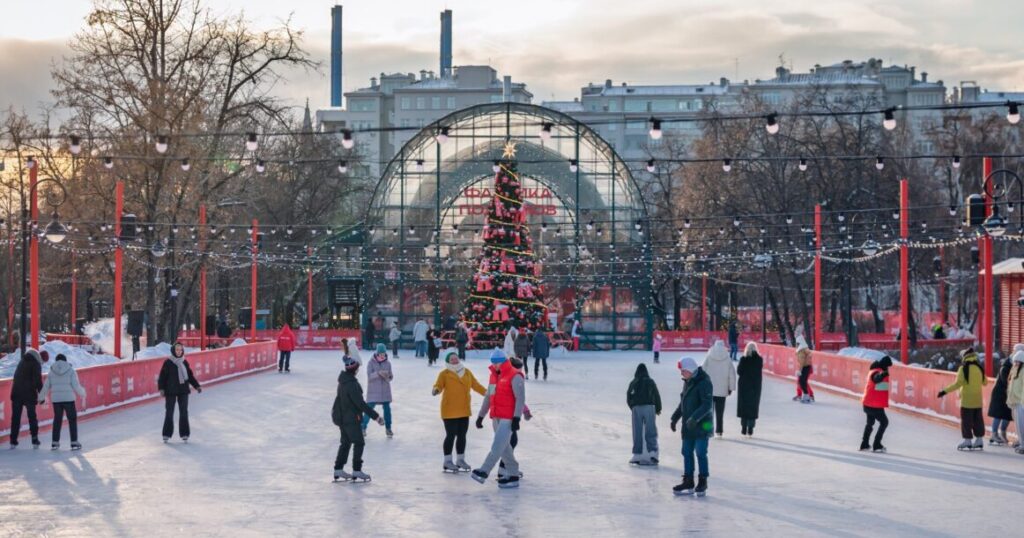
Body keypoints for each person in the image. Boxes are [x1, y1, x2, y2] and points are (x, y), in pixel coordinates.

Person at [471, 349, 526, 488]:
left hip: (509, 417)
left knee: (497, 445)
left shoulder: (515, 375)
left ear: (504, 361)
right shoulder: (494, 376)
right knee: (504, 447)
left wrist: (516, 418)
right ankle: (513, 475)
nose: (495, 365)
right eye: (493, 362)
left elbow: (520, 399)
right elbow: (489, 397)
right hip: (496, 416)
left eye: (498, 362)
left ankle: (484, 470)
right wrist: (481, 416)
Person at [332, 339, 384, 482]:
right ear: (355, 368)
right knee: (359, 442)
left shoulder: (343, 381)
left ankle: (338, 468)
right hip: (351, 419)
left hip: (343, 418)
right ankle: (356, 470)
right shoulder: (352, 384)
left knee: (346, 443)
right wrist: (376, 417)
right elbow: (361, 404)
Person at [432, 349, 487, 472]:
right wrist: (436, 390)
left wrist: (487, 393)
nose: (455, 360)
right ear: (448, 361)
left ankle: (460, 460)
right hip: (449, 410)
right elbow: (438, 385)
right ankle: (447, 461)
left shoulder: (466, 372)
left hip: (464, 409)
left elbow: (476, 385)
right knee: (450, 435)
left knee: (462, 435)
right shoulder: (444, 374)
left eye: (456, 358)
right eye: (452, 359)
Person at [671, 357, 714, 497]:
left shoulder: (704, 382)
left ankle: (703, 481)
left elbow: (707, 405)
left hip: (703, 424)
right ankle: (688, 481)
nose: (681, 373)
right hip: (689, 425)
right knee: (686, 452)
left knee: (701, 452)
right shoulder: (688, 382)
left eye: (683, 370)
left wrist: (694, 418)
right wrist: (675, 418)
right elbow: (683, 403)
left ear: (690, 369)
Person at [938, 348, 988, 451]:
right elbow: (985, 382)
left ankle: (967, 440)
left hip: (967, 401)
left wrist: (944, 391)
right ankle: (979, 440)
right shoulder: (979, 368)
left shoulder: (963, 368)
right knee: (978, 420)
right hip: (978, 400)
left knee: (966, 421)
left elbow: (957, 384)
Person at [38, 353, 87, 451]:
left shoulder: (51, 372)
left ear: (56, 361)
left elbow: (46, 386)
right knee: (72, 420)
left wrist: (41, 397)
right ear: (65, 360)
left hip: (57, 400)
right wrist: (83, 393)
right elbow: (76, 385)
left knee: (57, 420)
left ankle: (55, 443)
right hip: (69, 400)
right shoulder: (71, 370)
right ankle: (74, 442)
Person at [157, 343, 202, 442]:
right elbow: (162, 377)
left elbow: (190, 376)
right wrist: (161, 388)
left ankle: (184, 433)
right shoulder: (168, 362)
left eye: (181, 350)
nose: (179, 352)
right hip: (170, 391)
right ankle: (166, 434)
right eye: (177, 350)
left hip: (183, 390)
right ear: (173, 350)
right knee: (169, 412)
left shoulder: (184, 362)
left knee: (184, 412)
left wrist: (197, 386)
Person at [9, 348, 46, 448]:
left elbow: (16, 376)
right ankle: (34, 439)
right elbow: (38, 380)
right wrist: (42, 396)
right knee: (32, 417)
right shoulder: (36, 364)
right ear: (40, 359)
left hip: (16, 392)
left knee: (16, 417)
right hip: (29, 394)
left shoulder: (22, 361)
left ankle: (13, 440)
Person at [627, 363, 662, 465]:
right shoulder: (650, 381)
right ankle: (653, 452)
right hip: (649, 407)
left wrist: (632, 407)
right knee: (650, 429)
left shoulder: (633, 382)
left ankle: (637, 454)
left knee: (637, 431)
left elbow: (628, 396)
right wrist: (658, 408)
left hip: (636, 407)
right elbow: (656, 394)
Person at [702, 340, 736, 437]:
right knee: (720, 412)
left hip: (709, 389)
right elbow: (732, 374)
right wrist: (731, 387)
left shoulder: (709, 356)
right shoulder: (727, 358)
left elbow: (703, 370)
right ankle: (719, 430)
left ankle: (708, 430)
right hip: (722, 389)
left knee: (708, 412)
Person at [861, 355, 893, 453]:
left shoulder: (873, 370)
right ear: (884, 365)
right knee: (884, 422)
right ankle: (877, 444)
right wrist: (883, 374)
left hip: (868, 403)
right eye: (887, 366)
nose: (888, 368)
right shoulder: (876, 372)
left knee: (870, 423)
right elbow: (876, 378)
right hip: (874, 405)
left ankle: (864, 444)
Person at [361, 343, 394, 438]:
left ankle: (388, 428)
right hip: (373, 392)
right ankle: (362, 428)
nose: (383, 355)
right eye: (381, 354)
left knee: (387, 410)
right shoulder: (371, 363)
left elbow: (391, 377)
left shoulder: (388, 363)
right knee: (368, 410)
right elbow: (369, 376)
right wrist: (378, 373)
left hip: (385, 392)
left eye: (384, 353)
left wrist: (388, 376)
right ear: (377, 353)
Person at [987, 350, 1016, 446]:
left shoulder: (1013, 367)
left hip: (1008, 394)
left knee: (1007, 415)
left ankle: (1003, 433)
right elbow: (1005, 381)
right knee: (998, 415)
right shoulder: (1005, 367)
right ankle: (994, 434)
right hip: (1000, 394)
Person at [736, 342, 763, 437]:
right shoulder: (759, 360)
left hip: (744, 386)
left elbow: (739, 371)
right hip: (755, 386)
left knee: (744, 406)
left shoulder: (743, 359)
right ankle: (750, 428)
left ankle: (743, 427)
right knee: (753, 406)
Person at [1006, 349, 1024, 454]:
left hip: (1021, 402)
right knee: (1018, 425)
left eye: (1018, 361)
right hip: (1015, 401)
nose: (1016, 363)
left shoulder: (1022, 371)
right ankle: (1022, 443)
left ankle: (1023, 444)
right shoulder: (1015, 370)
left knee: (1021, 425)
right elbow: (1011, 387)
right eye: (1015, 361)